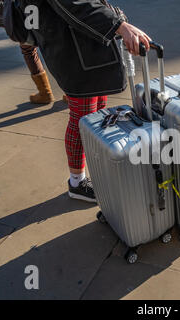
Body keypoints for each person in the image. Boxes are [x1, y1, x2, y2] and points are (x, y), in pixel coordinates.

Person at [22, 0, 151, 202]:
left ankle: (93, 171)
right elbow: (75, 4)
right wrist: (119, 25)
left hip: (81, 49)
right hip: (75, 52)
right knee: (83, 118)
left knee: (95, 114)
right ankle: (77, 183)